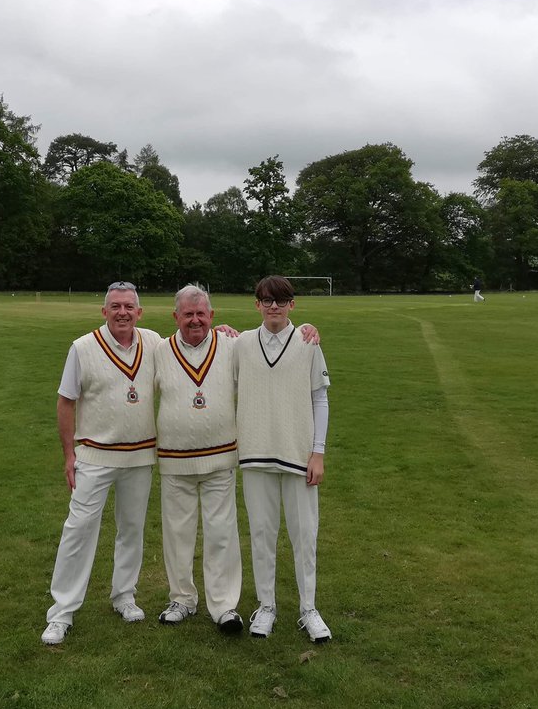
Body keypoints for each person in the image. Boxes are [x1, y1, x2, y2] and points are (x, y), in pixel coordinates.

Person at [153, 285, 320, 635]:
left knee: (222, 535)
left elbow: (273, 347)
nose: (195, 320)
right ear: (176, 317)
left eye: (202, 314)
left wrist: (307, 328)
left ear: (212, 317)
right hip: (174, 460)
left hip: (221, 457)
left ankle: (225, 606)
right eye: (188, 314)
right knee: (177, 534)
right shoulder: (160, 350)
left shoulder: (231, 344)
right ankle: (181, 599)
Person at [41, 282, 163, 646]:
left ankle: (124, 595)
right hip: (94, 455)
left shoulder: (155, 342)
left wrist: (222, 333)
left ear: (139, 312)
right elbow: (66, 402)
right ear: (104, 311)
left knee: (132, 528)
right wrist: (68, 455)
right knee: (78, 530)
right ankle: (62, 611)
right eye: (115, 306)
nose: (122, 312)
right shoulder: (82, 347)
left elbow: (191, 346)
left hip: (140, 455)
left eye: (129, 306)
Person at [235, 275, 333, 643]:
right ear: (256, 304)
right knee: (261, 534)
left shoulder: (308, 342)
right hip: (255, 454)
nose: (273, 306)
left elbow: (320, 399)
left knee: (304, 536)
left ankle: (309, 609)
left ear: (293, 304)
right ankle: (266, 606)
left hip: (298, 456)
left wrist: (317, 452)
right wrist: (223, 330)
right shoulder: (241, 343)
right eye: (266, 300)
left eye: (280, 300)